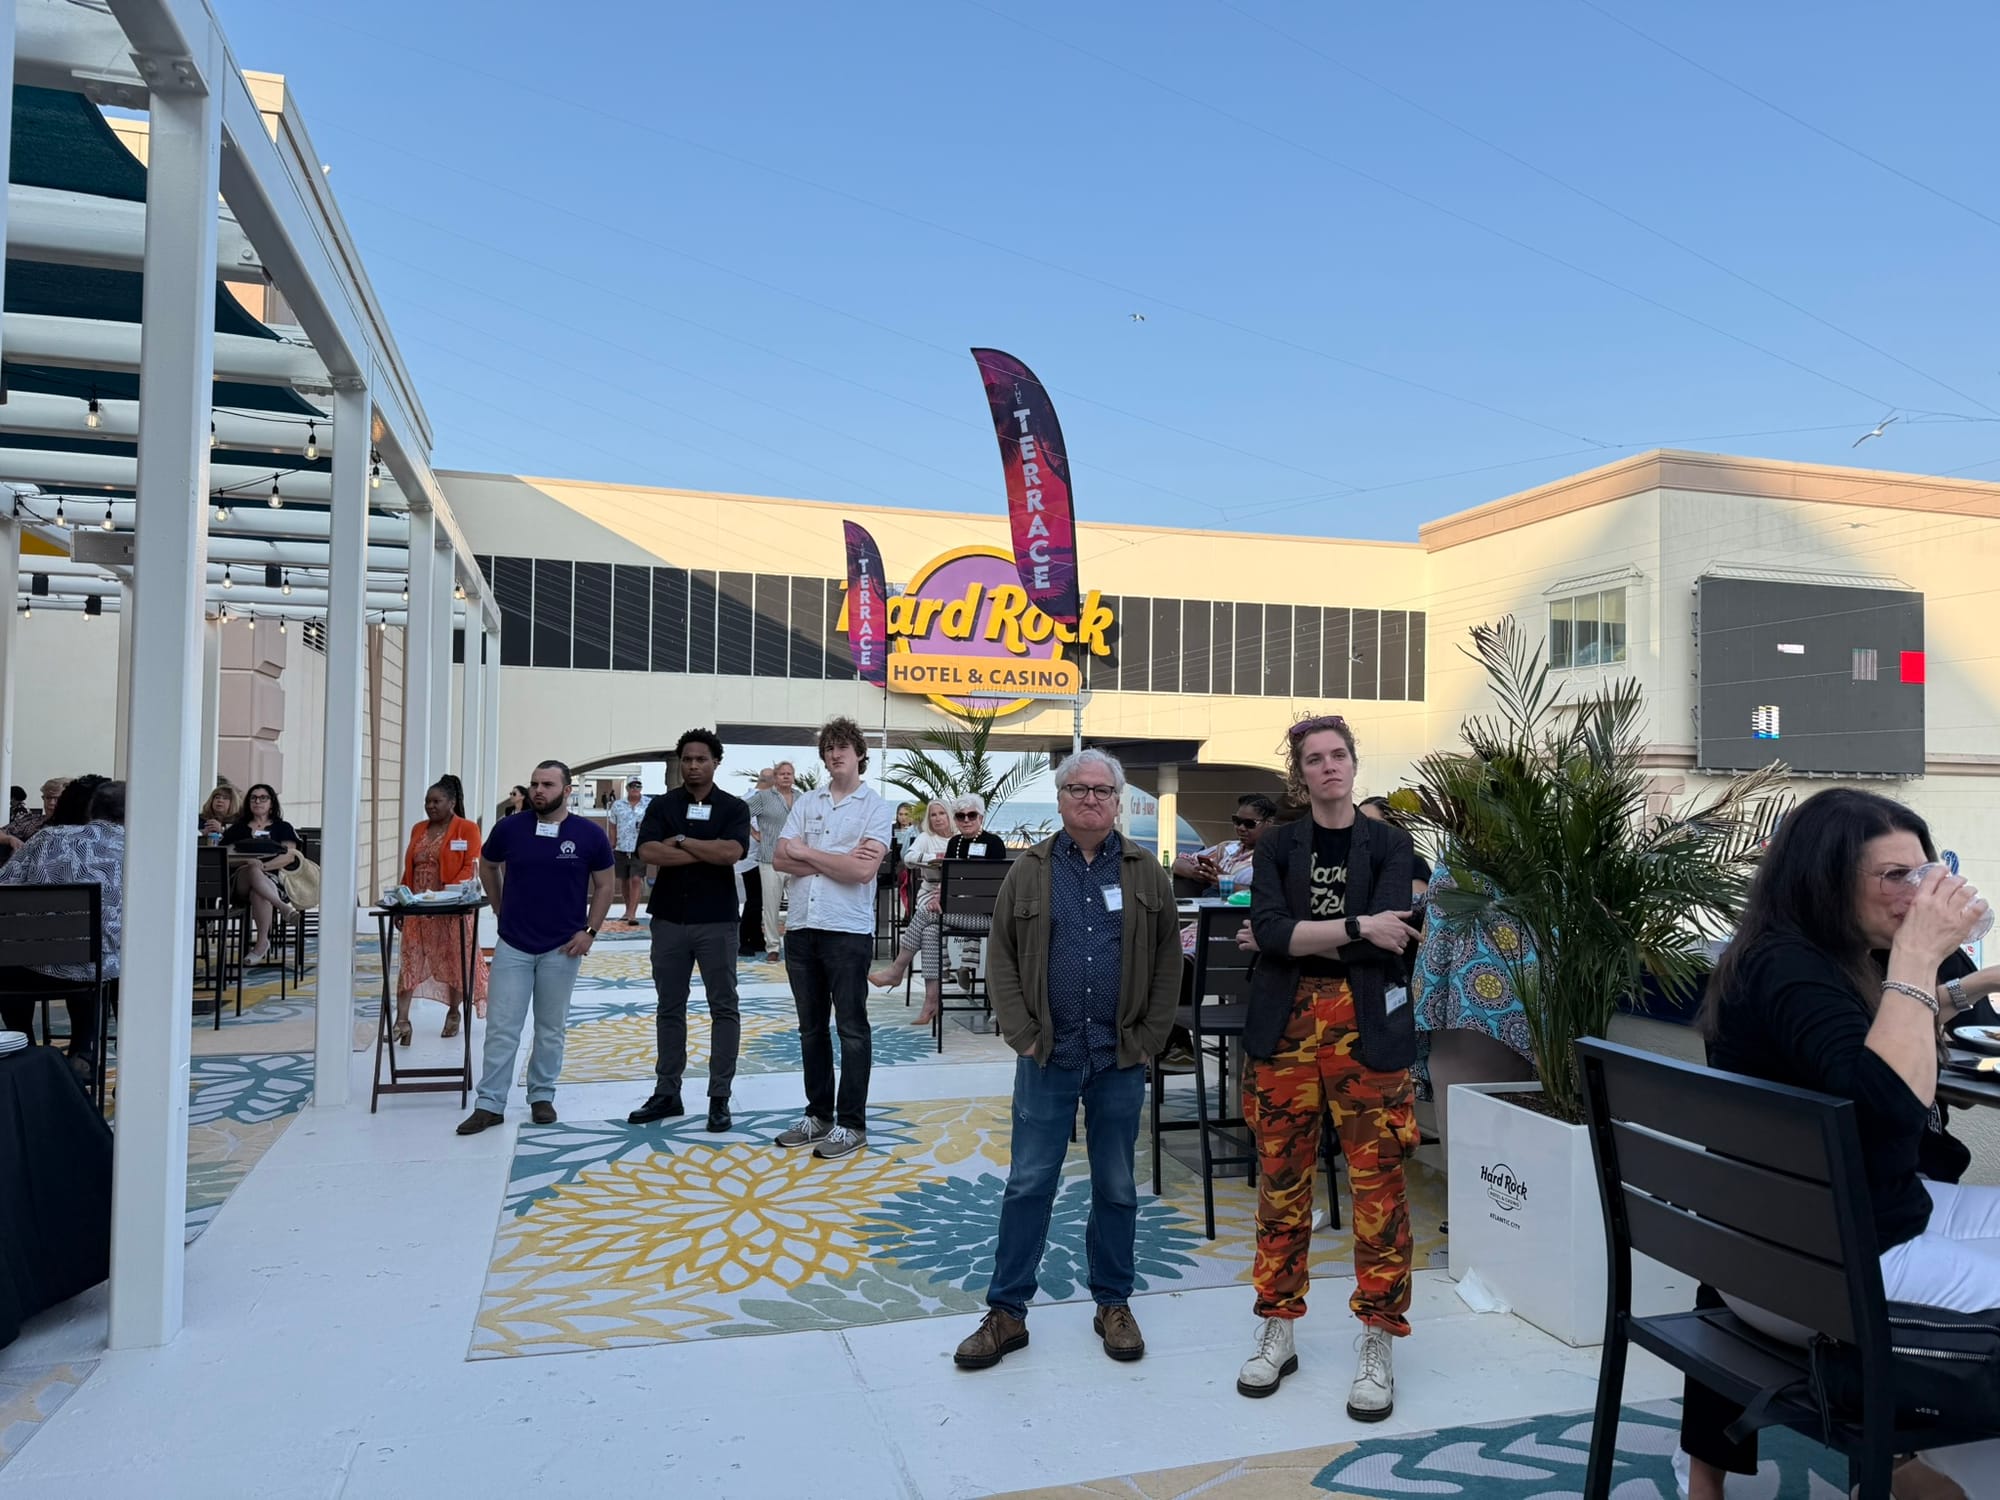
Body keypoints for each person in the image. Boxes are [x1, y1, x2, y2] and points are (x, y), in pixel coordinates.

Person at [1683, 788, 2000, 1498]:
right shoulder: (1791, 969)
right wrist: (1916, 957)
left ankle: (1935, 1478)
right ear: (1824, 880)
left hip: (1806, 1232)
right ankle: (1933, 1479)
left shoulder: (1805, 956)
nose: (1918, 893)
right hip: (1828, 1259)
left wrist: (1949, 975)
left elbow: (1881, 1063)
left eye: (1925, 872)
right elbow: (1893, 1108)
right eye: (1896, 876)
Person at [952, 748, 1181, 1371]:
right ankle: (1006, 1312)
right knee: (1029, 1183)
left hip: (1118, 1056)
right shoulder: (1028, 870)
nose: (1090, 798)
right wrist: (1022, 1033)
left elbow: (1167, 958)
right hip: (1047, 1055)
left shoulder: (1144, 872)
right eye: (1078, 789)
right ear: (1059, 800)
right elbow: (1001, 954)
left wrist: (1149, 1037)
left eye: (1102, 790)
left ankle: (1113, 1302)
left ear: (1117, 801)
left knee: (1116, 1185)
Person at [1231, 714, 1420, 1421]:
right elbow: (1270, 928)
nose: (1329, 766)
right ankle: (1277, 1325)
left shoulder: (1390, 843)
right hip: (1284, 1028)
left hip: (1366, 1026)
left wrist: (1296, 939)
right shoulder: (1279, 844)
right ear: (1300, 773)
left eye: (1339, 754)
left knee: (1379, 1187)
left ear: (1353, 762)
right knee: (1281, 1182)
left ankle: (1379, 1335)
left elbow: (1394, 939)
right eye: (1315, 759)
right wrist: (1356, 926)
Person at [459, 760, 615, 1136]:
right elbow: (488, 866)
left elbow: (606, 885)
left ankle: (542, 1096)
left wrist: (590, 931)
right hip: (514, 944)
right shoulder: (510, 828)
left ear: (567, 789)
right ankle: (489, 1103)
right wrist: (499, 907)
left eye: (547, 784)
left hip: (563, 948)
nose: (538, 791)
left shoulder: (588, 834)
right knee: (502, 1027)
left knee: (550, 1027)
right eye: (534, 784)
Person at [771, 719, 894, 1160]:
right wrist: (835, 858)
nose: (836, 754)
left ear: (860, 754)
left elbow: (862, 871)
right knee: (810, 1029)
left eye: (844, 747)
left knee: (851, 1029)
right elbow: (779, 857)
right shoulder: (807, 801)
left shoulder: (876, 807)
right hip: (802, 927)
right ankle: (818, 1115)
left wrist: (806, 851)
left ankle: (852, 1124)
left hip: (847, 931)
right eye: (829, 748)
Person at [627, 730, 751, 1134]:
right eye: (687, 759)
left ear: (716, 763)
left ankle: (719, 1098)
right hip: (669, 920)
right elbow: (648, 851)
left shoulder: (733, 807)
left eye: (701, 759)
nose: (693, 765)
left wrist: (680, 841)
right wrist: (705, 850)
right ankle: (667, 1092)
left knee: (723, 1008)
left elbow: (731, 853)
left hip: (717, 921)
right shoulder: (663, 805)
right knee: (669, 1007)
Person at [0, 778, 123, 1087]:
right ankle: (84, 1050)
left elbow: (4, 888)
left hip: (31, 966)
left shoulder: (47, 838)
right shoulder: (139, 847)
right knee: (98, 960)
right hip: (103, 969)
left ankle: (25, 1050)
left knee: (9, 957)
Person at [394, 780, 487, 1045]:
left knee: (453, 960)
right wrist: (402, 898)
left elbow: (471, 864)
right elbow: (410, 867)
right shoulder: (419, 828)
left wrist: (447, 894)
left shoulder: (467, 828)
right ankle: (402, 1020)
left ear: (451, 803)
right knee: (410, 960)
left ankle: (454, 1012)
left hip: (450, 907)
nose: (431, 806)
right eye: (428, 801)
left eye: (436, 801)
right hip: (417, 906)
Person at [868, 801, 954, 1024]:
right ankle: (931, 1001)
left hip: (954, 900)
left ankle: (897, 970)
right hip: (930, 896)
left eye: (942, 813)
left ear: (950, 815)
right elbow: (908, 858)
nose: (937, 818)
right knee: (929, 931)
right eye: (933, 814)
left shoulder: (959, 840)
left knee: (926, 922)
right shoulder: (926, 837)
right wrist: (933, 858)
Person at [222, 783, 304, 966]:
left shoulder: (282, 827)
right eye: (253, 798)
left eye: (263, 798)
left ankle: (261, 943)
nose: (257, 801)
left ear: (272, 803)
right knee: (252, 870)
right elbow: (224, 857)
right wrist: (247, 861)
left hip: (272, 880)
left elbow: (289, 856)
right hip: (240, 881)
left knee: (258, 892)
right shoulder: (237, 829)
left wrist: (263, 867)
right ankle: (283, 908)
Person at [1172, 793, 1278, 897]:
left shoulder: (1274, 856)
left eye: (1249, 823)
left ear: (1269, 822)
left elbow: (1267, 894)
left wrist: (1224, 882)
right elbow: (1177, 863)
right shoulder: (1226, 848)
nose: (1241, 828)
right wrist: (1195, 872)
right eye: (1237, 821)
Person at [747, 761, 799, 963]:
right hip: (770, 857)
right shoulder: (763, 797)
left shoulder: (801, 798)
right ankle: (773, 947)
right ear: (775, 777)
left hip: (796, 859)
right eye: (782, 773)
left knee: (799, 904)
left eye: (789, 773)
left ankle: (795, 944)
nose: (786, 776)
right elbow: (741, 813)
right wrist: (754, 833)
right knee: (771, 906)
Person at [607, 777, 650, 926]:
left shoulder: (649, 803)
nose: (635, 788)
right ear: (627, 788)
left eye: (638, 786)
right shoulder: (618, 805)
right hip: (621, 847)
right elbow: (612, 825)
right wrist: (612, 842)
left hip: (640, 847)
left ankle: (632, 913)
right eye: (632, 786)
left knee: (636, 879)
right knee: (624, 880)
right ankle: (627, 910)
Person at [1, 775, 67, 850]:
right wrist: (9, 839)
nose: (51, 802)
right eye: (48, 798)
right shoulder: (31, 821)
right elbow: (2, 832)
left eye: (57, 798)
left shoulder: (76, 828)